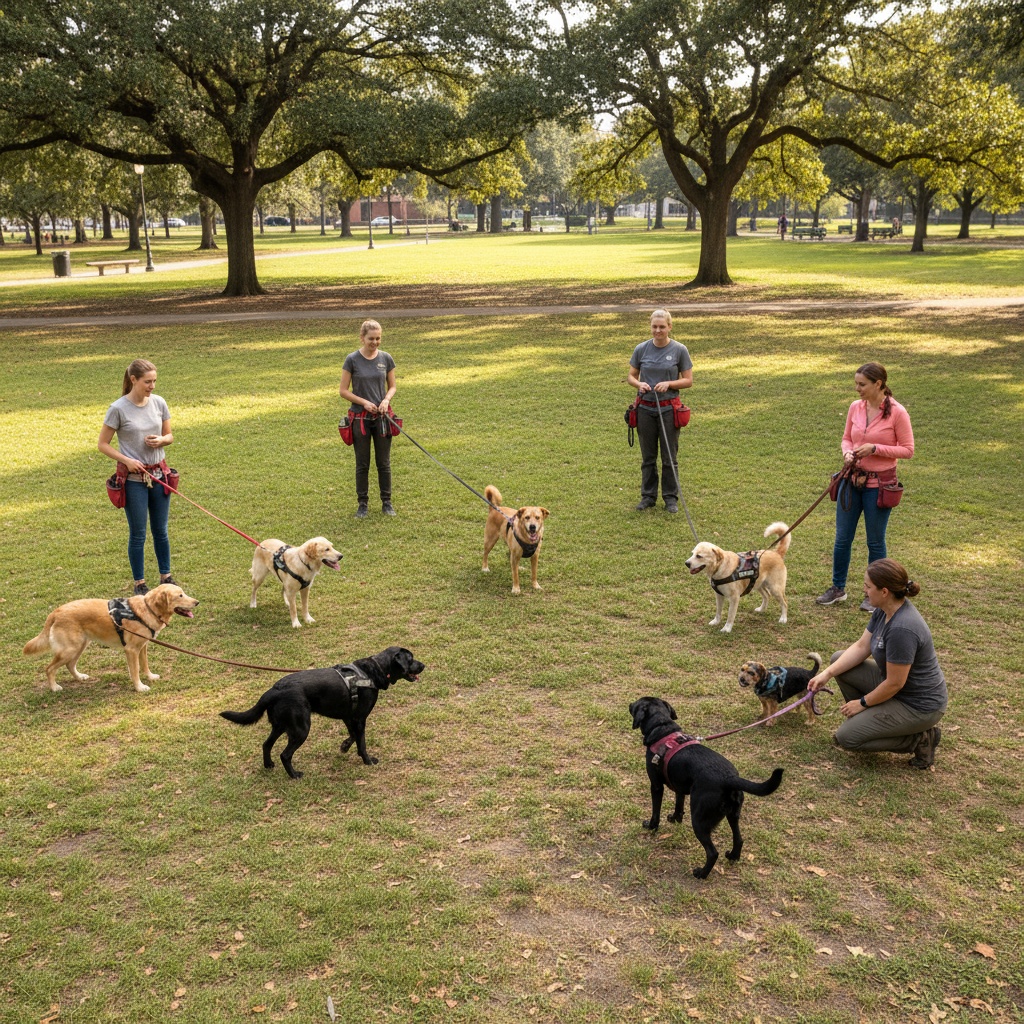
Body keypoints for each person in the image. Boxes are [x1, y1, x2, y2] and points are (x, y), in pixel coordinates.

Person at [808, 559, 947, 770]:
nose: (864, 590)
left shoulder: (902, 629)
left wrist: (862, 703)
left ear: (884, 591)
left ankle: (919, 740)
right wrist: (826, 674)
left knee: (847, 737)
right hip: (895, 688)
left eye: (867, 586)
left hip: (917, 705)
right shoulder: (884, 609)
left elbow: (895, 684)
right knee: (838, 660)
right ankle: (871, 720)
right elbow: (862, 646)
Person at [817, 361, 914, 610]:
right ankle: (837, 588)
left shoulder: (898, 413)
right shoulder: (855, 407)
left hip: (879, 486)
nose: (857, 389)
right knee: (842, 538)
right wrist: (847, 452)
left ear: (878, 384)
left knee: (875, 542)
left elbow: (907, 450)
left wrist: (875, 448)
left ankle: (877, 595)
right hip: (851, 481)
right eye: (856, 384)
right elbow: (846, 438)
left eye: (862, 384)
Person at [98, 358, 177, 595]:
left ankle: (166, 576)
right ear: (133, 380)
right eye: (147, 382)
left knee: (161, 530)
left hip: (159, 475)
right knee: (138, 533)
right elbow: (103, 444)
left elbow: (169, 435)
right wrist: (127, 460)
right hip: (134, 481)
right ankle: (139, 583)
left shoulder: (159, 402)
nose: (152, 386)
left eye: (154, 381)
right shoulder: (118, 409)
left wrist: (162, 440)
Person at [626, 309, 693, 513]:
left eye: (662, 327)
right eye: (654, 327)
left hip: (668, 410)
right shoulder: (641, 349)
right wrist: (639, 384)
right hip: (645, 408)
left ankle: (670, 498)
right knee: (648, 457)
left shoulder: (679, 350)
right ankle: (648, 496)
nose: (658, 330)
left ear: (669, 327)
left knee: (669, 457)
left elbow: (688, 380)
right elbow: (631, 376)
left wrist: (669, 384)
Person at [340, 319, 397, 518]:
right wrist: (364, 402)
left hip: (382, 418)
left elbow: (392, 386)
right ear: (362, 338)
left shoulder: (386, 358)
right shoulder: (352, 360)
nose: (375, 342)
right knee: (362, 463)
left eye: (378, 338)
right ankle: (362, 504)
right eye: (371, 338)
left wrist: (386, 400)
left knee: (384, 463)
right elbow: (343, 391)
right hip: (360, 419)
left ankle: (387, 502)